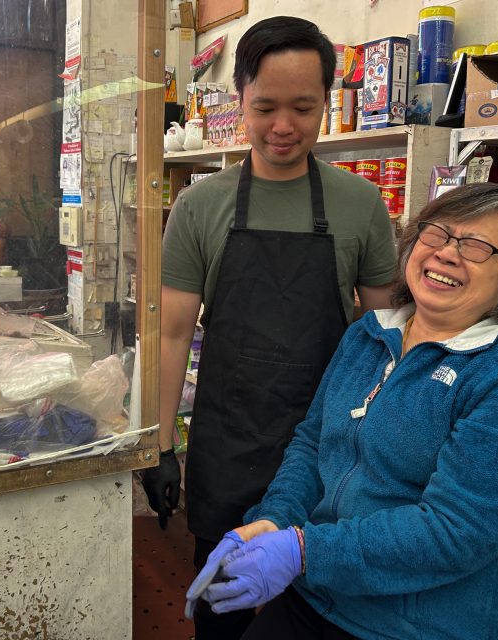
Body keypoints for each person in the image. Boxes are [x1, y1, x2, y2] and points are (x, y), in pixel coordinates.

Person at [185, 183, 498, 640]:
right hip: (319, 595)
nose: (447, 253)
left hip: (420, 625)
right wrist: (275, 520)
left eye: (476, 246)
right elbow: (312, 444)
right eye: (437, 233)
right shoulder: (367, 336)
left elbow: (455, 532)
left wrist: (304, 552)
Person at [141, 15, 397, 639]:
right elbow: (171, 333)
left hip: (328, 448)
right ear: (240, 101)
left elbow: (390, 334)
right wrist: (158, 445)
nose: (284, 126)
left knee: (314, 612)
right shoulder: (201, 207)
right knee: (221, 606)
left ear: (327, 104)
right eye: (266, 107)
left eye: (304, 108)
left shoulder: (360, 205)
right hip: (229, 439)